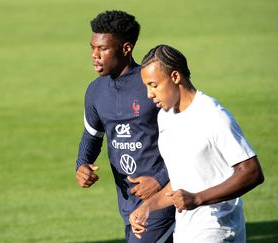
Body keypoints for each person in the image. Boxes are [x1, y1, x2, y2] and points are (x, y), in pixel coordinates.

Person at [129, 44, 265, 242]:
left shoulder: (213, 115)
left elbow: (251, 172)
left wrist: (198, 198)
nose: (149, 94)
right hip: (185, 231)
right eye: (146, 87)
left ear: (175, 77)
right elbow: (183, 179)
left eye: (154, 85)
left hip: (218, 229)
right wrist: (146, 207)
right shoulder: (165, 117)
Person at [75, 11, 175, 243]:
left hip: (164, 202)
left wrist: (160, 179)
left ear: (126, 48)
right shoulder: (95, 91)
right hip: (128, 206)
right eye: (92, 48)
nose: (94, 55)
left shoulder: (152, 86)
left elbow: (188, 141)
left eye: (103, 49)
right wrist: (82, 164)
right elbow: (91, 137)